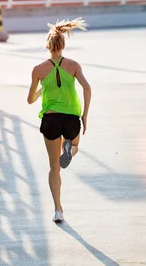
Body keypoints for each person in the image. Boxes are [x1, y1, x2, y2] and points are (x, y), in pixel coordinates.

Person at [27, 18, 92, 223]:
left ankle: (58, 210)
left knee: (54, 167)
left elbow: (30, 100)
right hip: (71, 117)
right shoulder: (73, 66)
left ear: (47, 46)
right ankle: (69, 149)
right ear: (63, 45)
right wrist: (85, 115)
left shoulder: (38, 69)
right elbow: (87, 88)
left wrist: (42, 89)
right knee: (74, 147)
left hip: (50, 118)